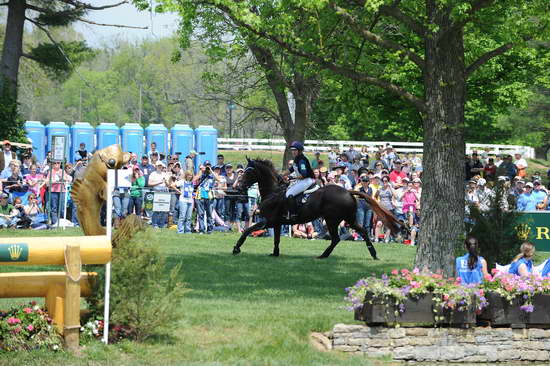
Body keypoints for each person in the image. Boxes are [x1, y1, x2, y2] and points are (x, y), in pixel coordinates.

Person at [286, 141, 315, 220]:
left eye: (295, 150)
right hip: (302, 180)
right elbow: (291, 169)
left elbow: (304, 175)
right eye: (292, 150)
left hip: (307, 180)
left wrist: (292, 178)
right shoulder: (297, 159)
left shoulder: (302, 160)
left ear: (299, 151)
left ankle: (293, 214)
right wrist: (281, 175)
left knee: (289, 193)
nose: (293, 152)